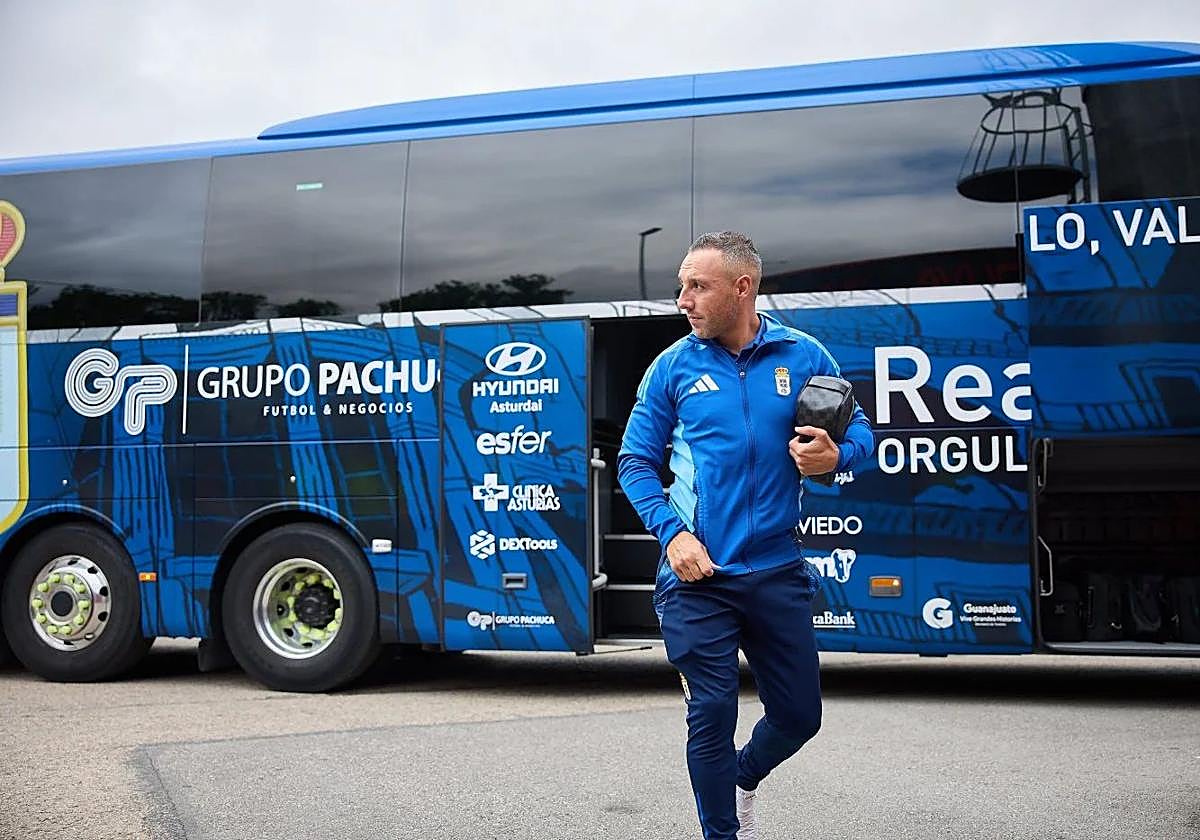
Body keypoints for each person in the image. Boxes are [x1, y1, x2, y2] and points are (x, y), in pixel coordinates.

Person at [617, 231, 874, 840]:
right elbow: (634, 463)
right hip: (697, 576)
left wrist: (836, 456)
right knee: (711, 711)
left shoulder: (804, 355)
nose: (683, 299)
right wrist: (673, 536)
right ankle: (722, 833)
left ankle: (741, 777)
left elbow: (861, 430)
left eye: (697, 286)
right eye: (681, 285)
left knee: (799, 717)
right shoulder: (672, 367)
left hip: (777, 570)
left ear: (743, 287)